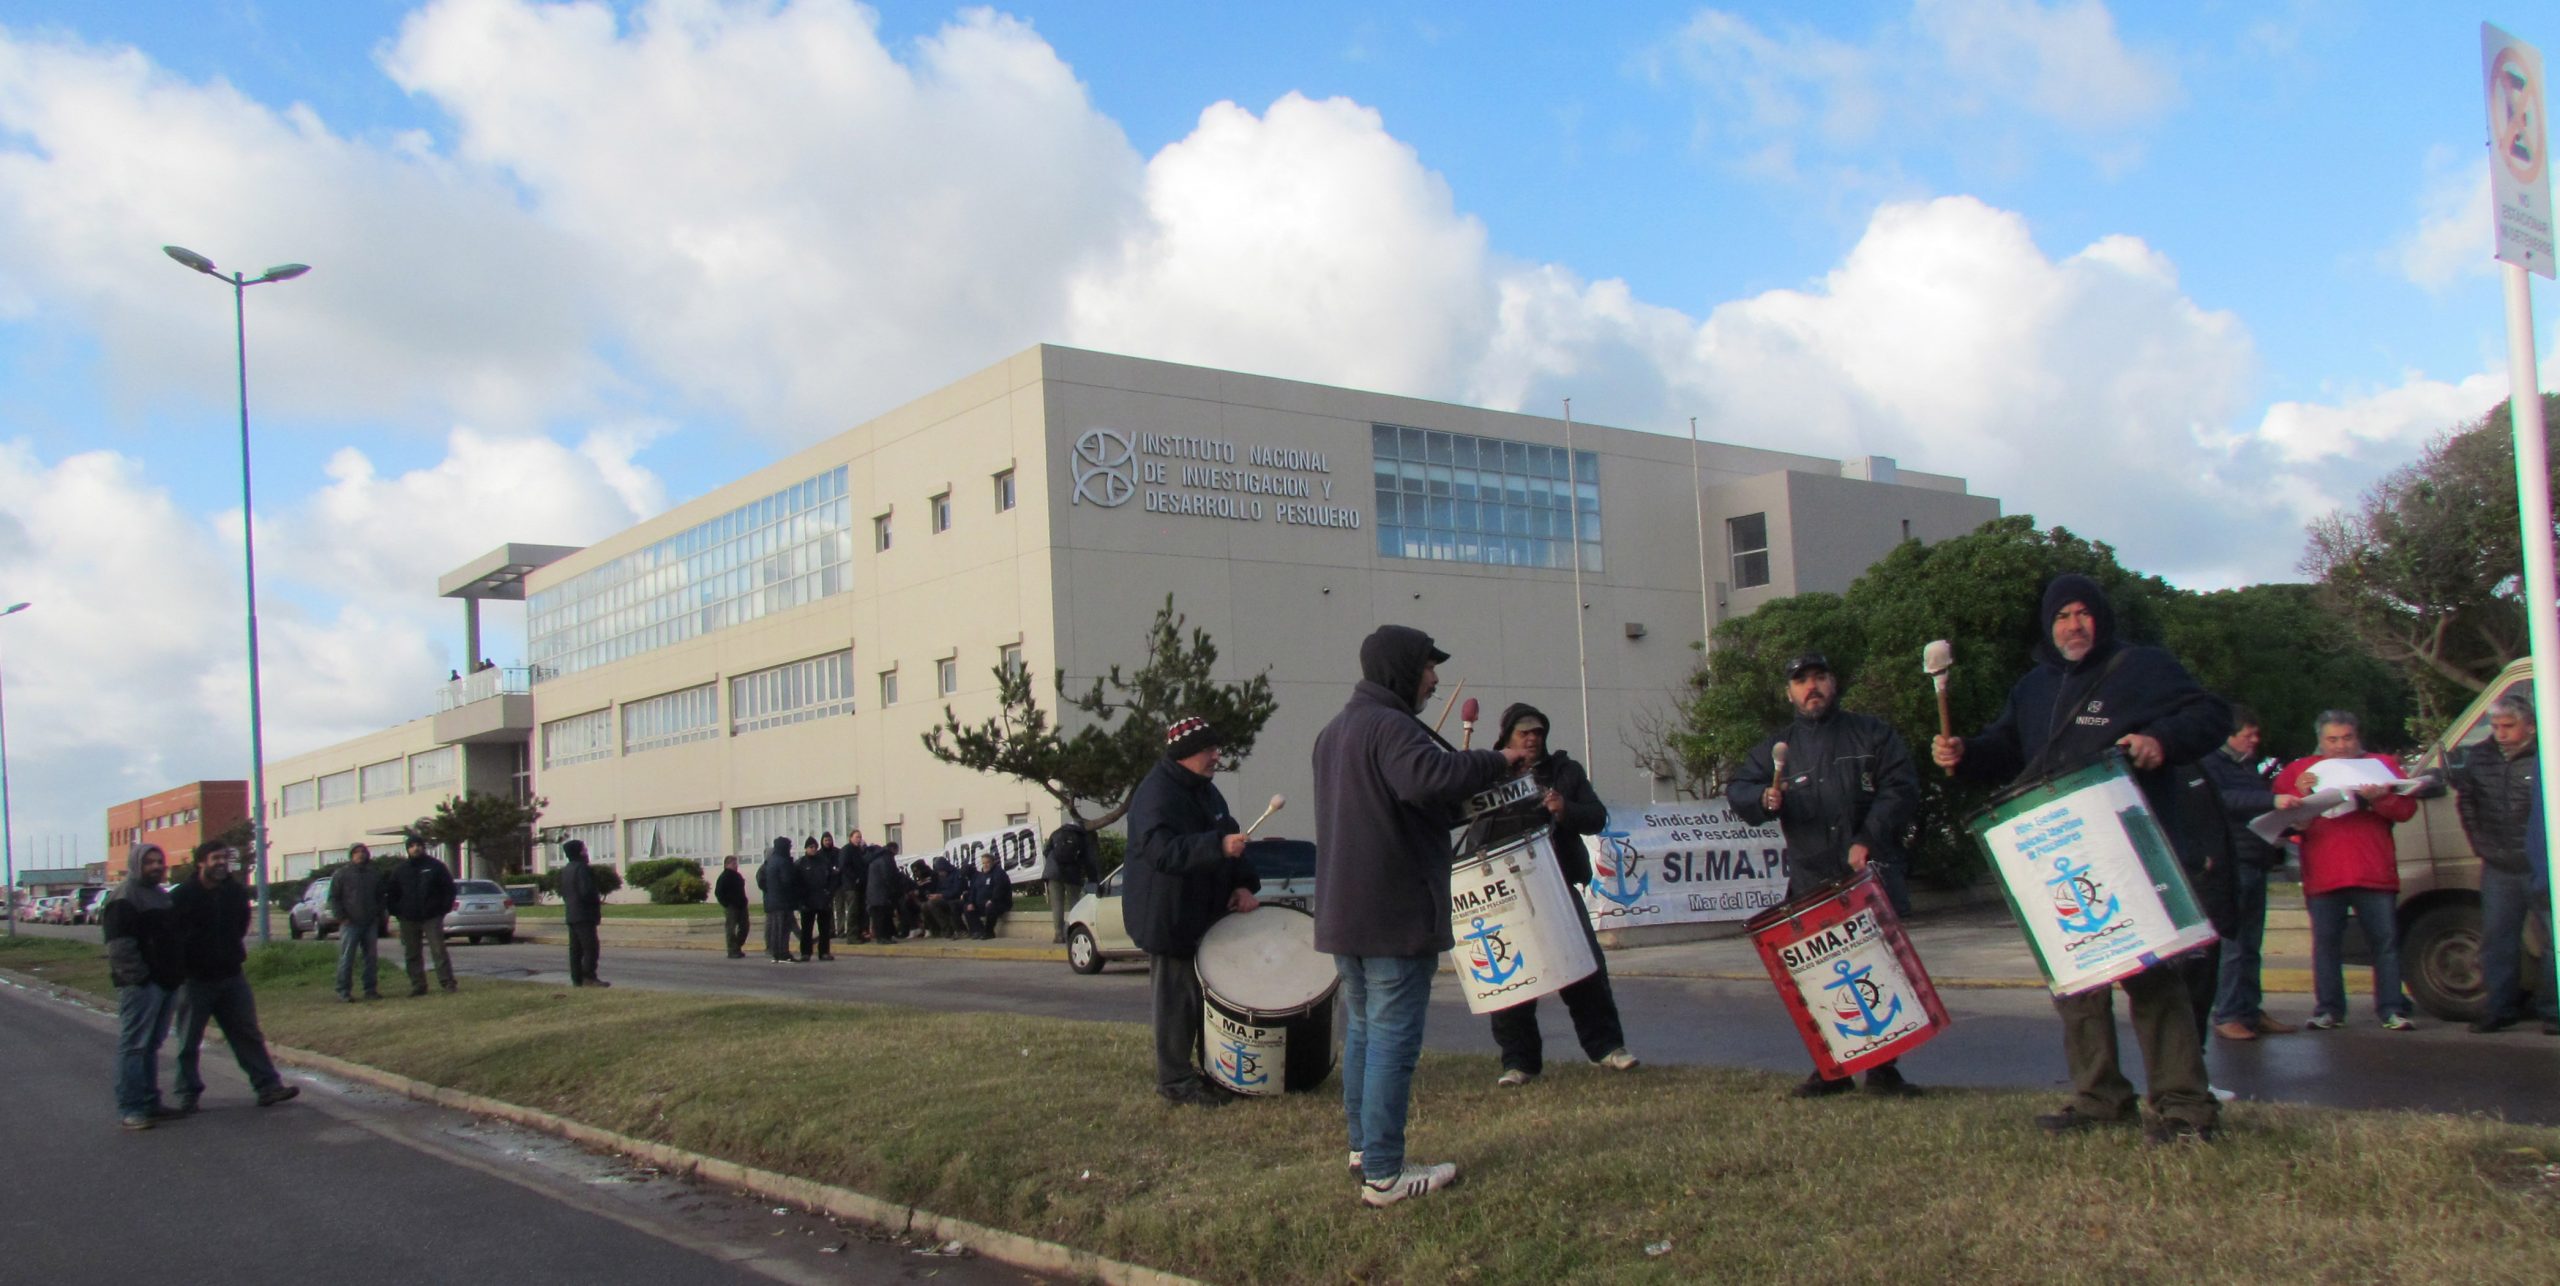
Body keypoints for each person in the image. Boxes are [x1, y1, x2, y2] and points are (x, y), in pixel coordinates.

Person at [1931, 574, 2225, 1144]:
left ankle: (2185, 1104)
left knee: (2154, 978)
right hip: (2058, 853)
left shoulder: (2143, 668)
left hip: (2129, 848)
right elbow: (2007, 749)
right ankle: (2099, 1098)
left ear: (2101, 617)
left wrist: (2159, 740)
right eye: (2062, 615)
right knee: (2077, 982)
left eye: (2082, 613)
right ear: (2048, 625)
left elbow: (2211, 715)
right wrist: (1965, 753)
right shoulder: (2033, 688)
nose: (2073, 624)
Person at [1314, 624, 1524, 1205]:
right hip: (1393, 912)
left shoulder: (1336, 731)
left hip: (1346, 912)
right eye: (1428, 666)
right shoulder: (1390, 726)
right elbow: (1430, 777)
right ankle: (1384, 1174)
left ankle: (1363, 1149)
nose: (1434, 677)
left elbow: (1404, 801)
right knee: (1390, 1041)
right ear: (1402, 669)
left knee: (1361, 1030)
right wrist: (1497, 759)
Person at [1728, 654, 1923, 1098]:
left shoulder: (1872, 733)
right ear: (1789, 692)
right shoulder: (1778, 748)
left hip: (1865, 872)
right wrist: (1762, 799)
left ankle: (1884, 1070)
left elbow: (1902, 786)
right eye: (1801, 681)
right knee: (1818, 979)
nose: (1811, 687)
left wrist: (1868, 837)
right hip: (1811, 879)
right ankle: (1831, 1069)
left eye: (1819, 678)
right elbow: (1738, 791)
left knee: (1880, 970)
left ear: (1834, 683)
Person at [1476, 701, 1639, 1088]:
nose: (1532, 739)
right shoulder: (1487, 774)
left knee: (1584, 968)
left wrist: (1565, 809)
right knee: (1512, 980)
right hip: (1507, 892)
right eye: (1524, 733)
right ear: (1507, 737)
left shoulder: (1566, 771)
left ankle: (1607, 1048)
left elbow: (1597, 816)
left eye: (1538, 733)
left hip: (1559, 884)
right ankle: (1519, 1062)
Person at [1125, 716, 1264, 1107]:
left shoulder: (1206, 791)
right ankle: (1175, 1081)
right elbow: (1161, 852)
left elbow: (1229, 832)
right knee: (1176, 1002)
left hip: (1205, 913)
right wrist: (1217, 848)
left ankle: (1210, 1072)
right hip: (1169, 916)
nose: (1217, 756)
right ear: (1186, 753)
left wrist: (1241, 882)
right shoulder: (1154, 794)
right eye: (1210, 749)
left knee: (1208, 1002)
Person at [2277, 711, 2421, 1030]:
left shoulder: (2381, 765)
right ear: (2320, 741)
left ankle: (2391, 1008)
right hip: (2324, 873)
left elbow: (2406, 810)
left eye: (2347, 738)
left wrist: (2381, 799)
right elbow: (2282, 820)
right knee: (2326, 945)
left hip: (2373, 869)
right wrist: (2300, 794)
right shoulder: (2299, 770)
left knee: (2384, 943)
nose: (2341, 746)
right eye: (2333, 739)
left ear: (2358, 738)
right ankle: (2328, 1009)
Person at [2446, 696, 2559, 1034]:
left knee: (2552, 938)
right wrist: (2482, 846)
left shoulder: (2546, 754)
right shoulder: (2481, 756)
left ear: (2531, 726)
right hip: (2499, 864)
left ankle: (2553, 1010)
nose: (2500, 734)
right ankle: (2499, 1008)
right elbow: (2468, 804)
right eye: (2495, 727)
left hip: (2541, 862)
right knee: (2497, 938)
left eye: (2508, 727)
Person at [168, 841, 299, 1111]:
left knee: (247, 1033)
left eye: (224, 859)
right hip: (195, 980)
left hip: (230, 976)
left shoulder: (234, 892)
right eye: (215, 858)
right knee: (188, 1040)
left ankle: (268, 1087)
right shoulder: (183, 895)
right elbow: (173, 935)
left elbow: (240, 925)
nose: (221, 863)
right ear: (201, 862)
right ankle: (187, 1094)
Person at [2200, 707, 2298, 1042]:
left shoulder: (2246, 767)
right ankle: (2227, 1013)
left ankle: (2250, 1009)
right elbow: (2223, 799)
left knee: (2252, 944)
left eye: (2256, 735)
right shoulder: (2211, 763)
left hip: (2256, 858)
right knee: (2234, 943)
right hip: (2234, 860)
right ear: (2229, 734)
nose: (2254, 741)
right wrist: (2271, 800)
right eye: (2248, 734)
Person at [103, 842, 183, 1130]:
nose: (156, 867)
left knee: (151, 1045)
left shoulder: (161, 896)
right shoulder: (124, 896)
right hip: (141, 987)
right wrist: (140, 979)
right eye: (149, 862)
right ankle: (131, 1107)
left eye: (159, 862)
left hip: (166, 983)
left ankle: (150, 1102)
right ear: (136, 863)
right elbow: (119, 946)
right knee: (134, 1047)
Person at [383, 837, 458, 996]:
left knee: (438, 950)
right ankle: (418, 985)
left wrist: (442, 909)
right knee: (412, 953)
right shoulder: (400, 870)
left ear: (423, 847)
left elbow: (449, 889)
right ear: (407, 849)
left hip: (432, 917)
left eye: (418, 845)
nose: (416, 848)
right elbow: (392, 894)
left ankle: (447, 983)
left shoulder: (436, 866)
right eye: (412, 846)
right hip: (408, 918)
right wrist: (398, 911)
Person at [326, 842, 385, 1002]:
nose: (360, 854)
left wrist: (378, 915)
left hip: (370, 922)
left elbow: (380, 897)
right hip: (350, 923)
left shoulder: (373, 874)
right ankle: (343, 990)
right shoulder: (342, 874)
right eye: (356, 852)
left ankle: (370, 989)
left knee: (371, 958)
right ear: (351, 855)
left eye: (363, 852)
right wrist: (342, 917)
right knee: (347, 957)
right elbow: (333, 898)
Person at [558, 838, 608, 987]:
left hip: (571, 914)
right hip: (584, 914)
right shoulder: (582, 869)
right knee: (590, 947)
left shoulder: (566, 870)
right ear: (579, 852)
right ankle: (589, 976)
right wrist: (595, 901)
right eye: (584, 849)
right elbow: (586, 892)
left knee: (575, 950)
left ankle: (577, 979)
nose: (586, 852)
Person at [1042, 822, 1098, 944]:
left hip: (1053, 873)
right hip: (1072, 873)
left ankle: (1058, 934)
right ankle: (1075, 932)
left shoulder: (1056, 833)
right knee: (1074, 903)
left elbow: (1046, 851)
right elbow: (1089, 859)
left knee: (1057, 905)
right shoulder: (1082, 836)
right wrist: (1093, 878)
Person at [757, 837, 798, 962]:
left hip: (772, 900)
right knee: (783, 929)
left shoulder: (771, 861)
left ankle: (775, 952)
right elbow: (787, 881)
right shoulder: (783, 862)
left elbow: (764, 881)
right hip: (782, 901)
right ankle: (782, 953)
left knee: (775, 928)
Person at [794, 837, 835, 960]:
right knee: (807, 929)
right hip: (807, 901)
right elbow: (796, 883)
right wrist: (800, 901)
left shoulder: (823, 862)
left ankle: (824, 952)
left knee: (824, 929)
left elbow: (832, 878)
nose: (813, 849)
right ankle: (806, 953)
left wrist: (829, 892)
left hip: (822, 899)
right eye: (810, 847)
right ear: (806, 848)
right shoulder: (800, 863)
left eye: (815, 847)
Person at [962, 851, 1014, 939]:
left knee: (991, 907)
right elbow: (974, 890)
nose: (985, 865)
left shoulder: (999, 873)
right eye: (983, 863)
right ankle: (978, 930)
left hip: (999, 903)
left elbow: (999, 889)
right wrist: (971, 902)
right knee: (967, 907)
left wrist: (993, 900)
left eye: (987, 862)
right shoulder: (980, 876)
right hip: (981, 904)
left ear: (993, 863)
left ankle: (989, 932)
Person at [865, 844, 907, 945]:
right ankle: (884, 937)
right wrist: (894, 890)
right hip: (882, 892)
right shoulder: (886, 859)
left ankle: (881, 937)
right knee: (883, 916)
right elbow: (888, 876)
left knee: (877, 916)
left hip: (872, 892)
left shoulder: (873, 859)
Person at [833, 830, 867, 943]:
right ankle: (851, 936)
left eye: (860, 837)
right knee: (852, 911)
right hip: (850, 886)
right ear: (850, 837)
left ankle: (859, 933)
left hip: (859, 885)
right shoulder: (846, 850)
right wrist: (855, 878)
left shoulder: (859, 850)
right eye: (857, 837)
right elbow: (843, 866)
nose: (859, 839)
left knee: (859, 911)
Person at [715, 854, 751, 958]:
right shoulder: (724, 877)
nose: (736, 865)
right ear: (727, 864)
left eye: (736, 863)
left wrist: (744, 901)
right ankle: (732, 950)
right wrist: (726, 903)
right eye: (733, 863)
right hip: (731, 906)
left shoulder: (738, 876)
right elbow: (718, 893)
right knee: (731, 928)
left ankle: (737, 946)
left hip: (741, 905)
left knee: (745, 927)